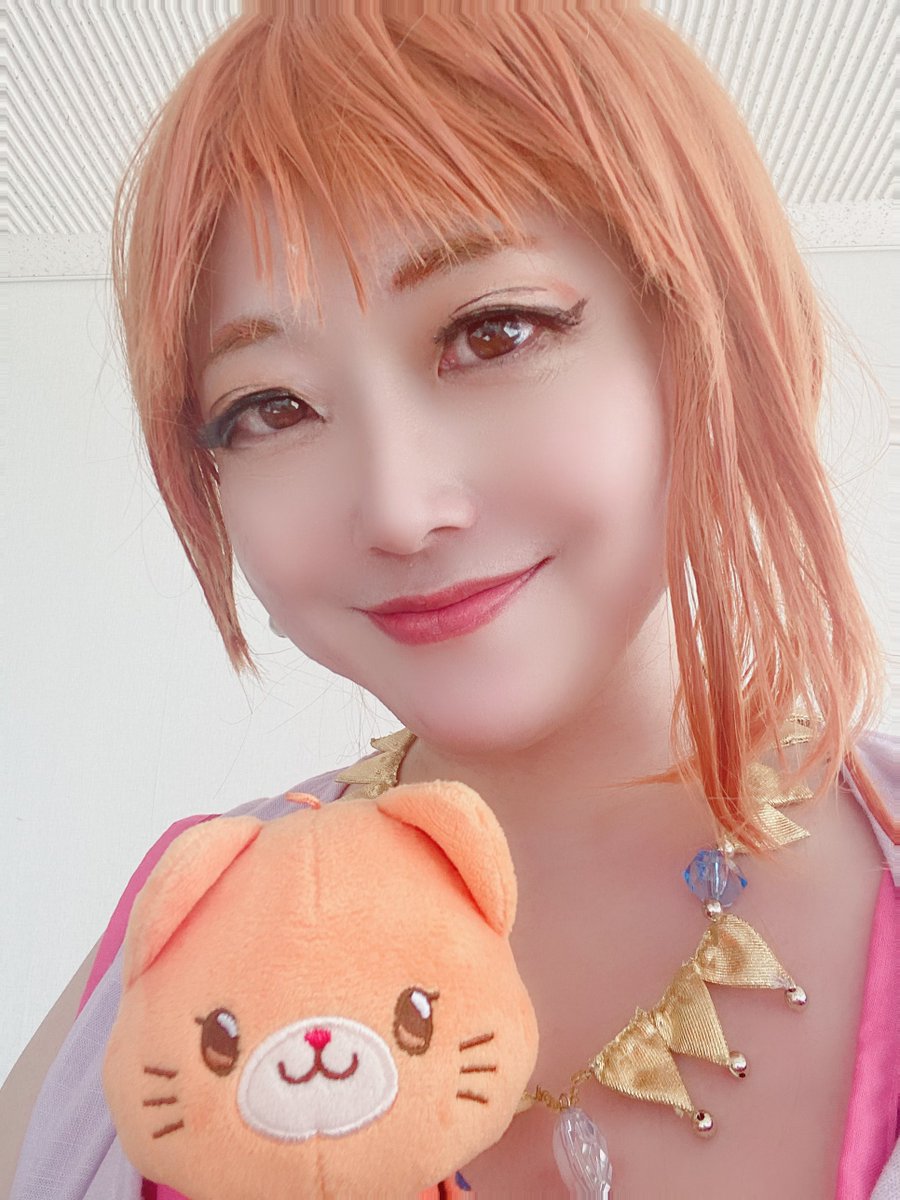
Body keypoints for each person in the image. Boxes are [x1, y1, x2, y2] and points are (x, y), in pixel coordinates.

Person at [5, 3, 897, 1197]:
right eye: (270, 406)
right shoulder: (175, 935)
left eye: (494, 331)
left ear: (704, 333)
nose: (397, 508)